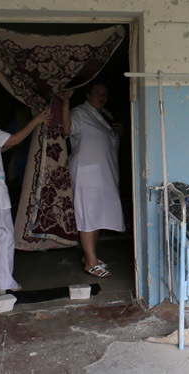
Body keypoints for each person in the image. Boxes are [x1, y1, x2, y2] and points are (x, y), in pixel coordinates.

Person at [0, 91, 52, 294]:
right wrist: (37, 120)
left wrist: (9, 147)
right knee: (4, 235)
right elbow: (14, 139)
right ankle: (6, 282)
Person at [61, 83, 125, 278]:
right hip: (85, 173)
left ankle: (90, 256)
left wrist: (119, 133)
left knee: (97, 215)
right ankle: (91, 262)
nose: (102, 95)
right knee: (87, 215)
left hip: (104, 173)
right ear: (87, 95)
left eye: (104, 92)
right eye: (97, 92)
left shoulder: (106, 115)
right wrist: (65, 102)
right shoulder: (79, 113)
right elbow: (66, 130)